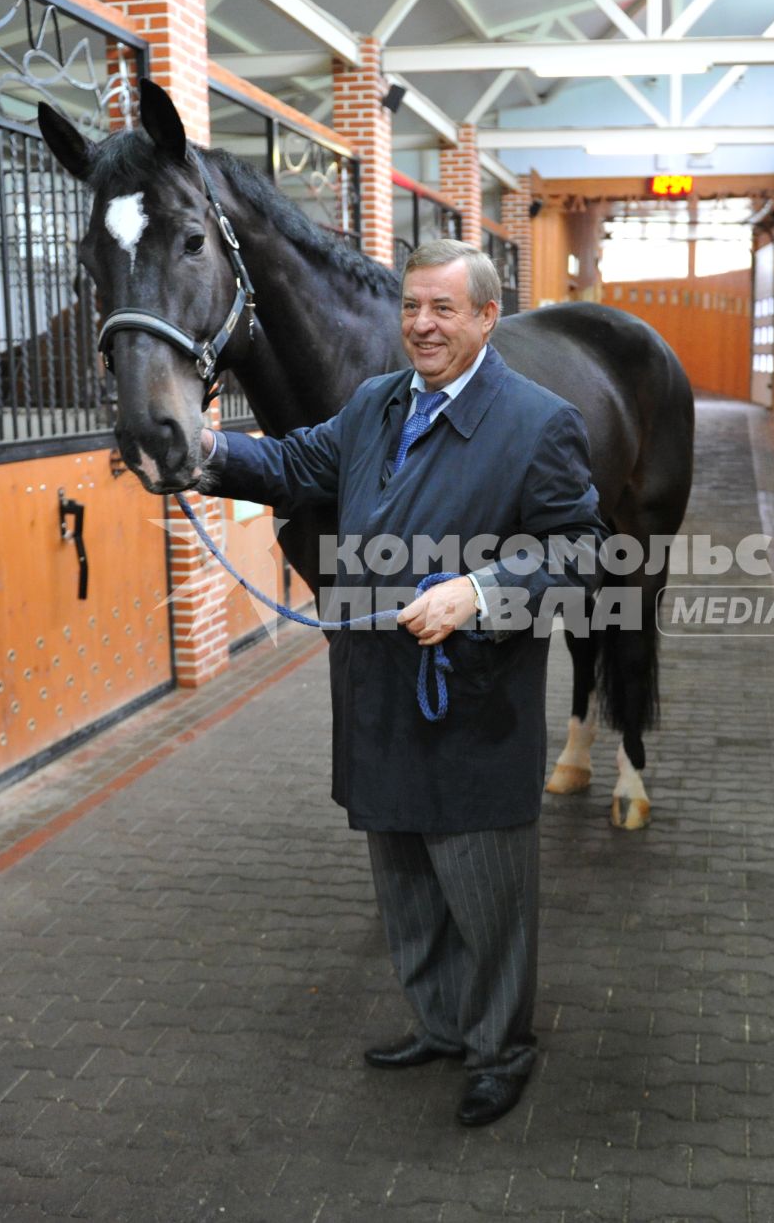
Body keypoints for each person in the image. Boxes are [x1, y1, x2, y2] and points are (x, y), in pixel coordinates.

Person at [197, 239, 607, 1127]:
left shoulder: (538, 423)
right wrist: (208, 449)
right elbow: (298, 465)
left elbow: (581, 551)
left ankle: (502, 1049)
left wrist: (481, 590)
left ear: (487, 319)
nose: (421, 324)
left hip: (471, 703)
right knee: (407, 890)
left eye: (444, 309)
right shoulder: (377, 403)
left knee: (487, 899)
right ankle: (441, 1023)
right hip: (378, 697)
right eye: (413, 306)